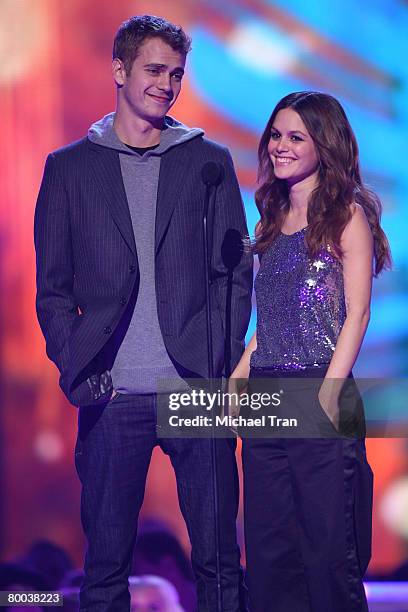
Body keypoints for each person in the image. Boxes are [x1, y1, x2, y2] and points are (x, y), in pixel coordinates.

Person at [34, 14, 252, 611]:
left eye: (176, 74)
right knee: (105, 569)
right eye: (154, 70)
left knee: (219, 563)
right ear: (119, 70)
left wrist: (219, 358)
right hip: (111, 393)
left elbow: (235, 272)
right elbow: (51, 289)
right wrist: (76, 362)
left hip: (194, 387)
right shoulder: (69, 169)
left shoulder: (205, 161)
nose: (166, 84)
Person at [230, 91, 391, 611]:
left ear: (324, 145)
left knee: (327, 554)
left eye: (296, 137)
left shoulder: (348, 217)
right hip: (267, 395)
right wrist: (239, 372)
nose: (280, 146)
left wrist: (327, 393)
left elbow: (357, 315)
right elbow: (273, 317)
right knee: (270, 550)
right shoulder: (269, 222)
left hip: (322, 387)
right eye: (276, 135)